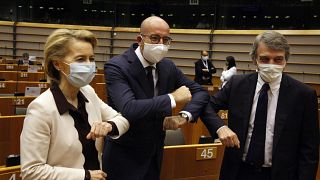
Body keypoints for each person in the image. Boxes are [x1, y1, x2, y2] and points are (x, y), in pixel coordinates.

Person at [102, 16, 211, 180]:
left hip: (155, 155)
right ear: (140, 39)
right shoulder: (117, 66)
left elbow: (200, 92)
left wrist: (184, 116)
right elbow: (129, 109)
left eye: (166, 39)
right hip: (124, 156)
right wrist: (171, 98)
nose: (160, 44)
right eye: (155, 38)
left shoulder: (167, 66)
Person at [200, 31, 319, 180]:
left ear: (286, 61)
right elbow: (206, 106)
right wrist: (220, 127)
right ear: (254, 59)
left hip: (280, 174)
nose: (271, 65)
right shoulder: (237, 85)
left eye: (278, 59)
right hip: (238, 171)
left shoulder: (304, 95)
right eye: (264, 59)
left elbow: (310, 149)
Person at [20, 29, 130, 180]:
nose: (89, 64)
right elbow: (31, 171)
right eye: (80, 59)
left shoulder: (88, 92)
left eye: (91, 58)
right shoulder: (41, 108)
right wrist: (85, 176)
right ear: (58, 64)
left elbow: (122, 120)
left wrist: (109, 126)